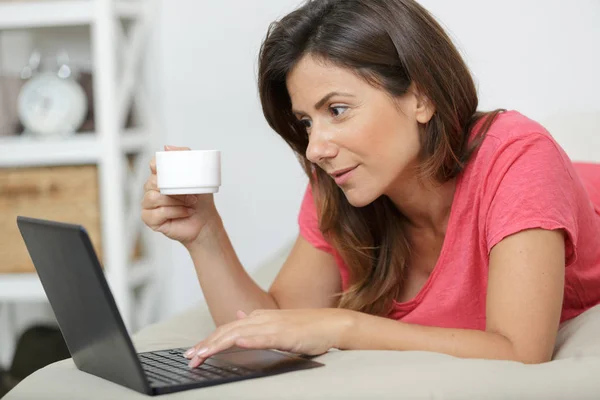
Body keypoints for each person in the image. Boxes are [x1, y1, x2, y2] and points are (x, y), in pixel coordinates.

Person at [141, 0, 600, 368]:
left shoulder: (519, 157)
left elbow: (520, 352)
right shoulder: (343, 181)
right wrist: (204, 235)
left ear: (420, 96)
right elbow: (268, 328)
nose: (315, 148)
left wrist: (343, 326)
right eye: (305, 122)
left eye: (337, 110)